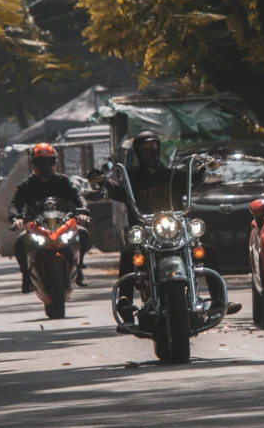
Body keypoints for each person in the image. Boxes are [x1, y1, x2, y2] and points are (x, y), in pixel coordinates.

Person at [89, 131, 242, 322]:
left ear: (158, 149)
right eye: (143, 149)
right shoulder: (130, 178)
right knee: (128, 255)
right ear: (137, 152)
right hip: (146, 237)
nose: (148, 152)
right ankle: (125, 304)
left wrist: (204, 169)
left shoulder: (171, 175)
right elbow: (115, 188)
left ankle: (219, 301)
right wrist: (101, 182)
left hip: (175, 234)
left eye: (152, 148)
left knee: (208, 252)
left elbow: (191, 180)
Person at [8, 143, 91, 293]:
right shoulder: (26, 185)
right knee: (20, 241)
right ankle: (26, 275)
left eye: (49, 161)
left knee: (83, 232)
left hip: (62, 223)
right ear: (34, 163)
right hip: (36, 225)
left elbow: (78, 197)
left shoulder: (64, 181)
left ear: (55, 162)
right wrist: (16, 218)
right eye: (41, 162)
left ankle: (79, 268)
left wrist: (83, 212)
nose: (45, 166)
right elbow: (14, 204)